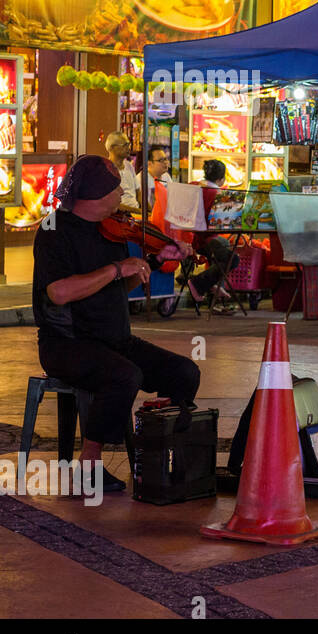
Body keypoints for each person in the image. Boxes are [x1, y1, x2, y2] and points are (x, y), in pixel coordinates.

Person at [32, 155, 196, 491]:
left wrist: (149, 263)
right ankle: (88, 465)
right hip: (66, 343)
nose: (122, 192)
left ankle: (154, 454)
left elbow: (119, 287)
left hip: (114, 339)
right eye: (116, 188)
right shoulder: (53, 231)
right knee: (124, 375)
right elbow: (59, 292)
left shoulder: (112, 228)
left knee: (184, 373)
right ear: (95, 195)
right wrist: (116, 269)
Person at [184, 160, 240, 315]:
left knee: (222, 253)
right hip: (205, 239)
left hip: (189, 237)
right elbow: (223, 224)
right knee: (231, 258)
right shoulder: (217, 194)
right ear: (221, 179)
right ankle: (199, 283)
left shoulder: (193, 186)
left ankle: (213, 289)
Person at [103, 131, 139, 212]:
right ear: (112, 148)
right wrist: (137, 211)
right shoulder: (106, 169)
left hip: (136, 212)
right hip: (121, 214)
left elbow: (138, 192)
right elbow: (110, 204)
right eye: (125, 145)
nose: (128, 148)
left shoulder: (129, 166)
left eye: (128, 144)